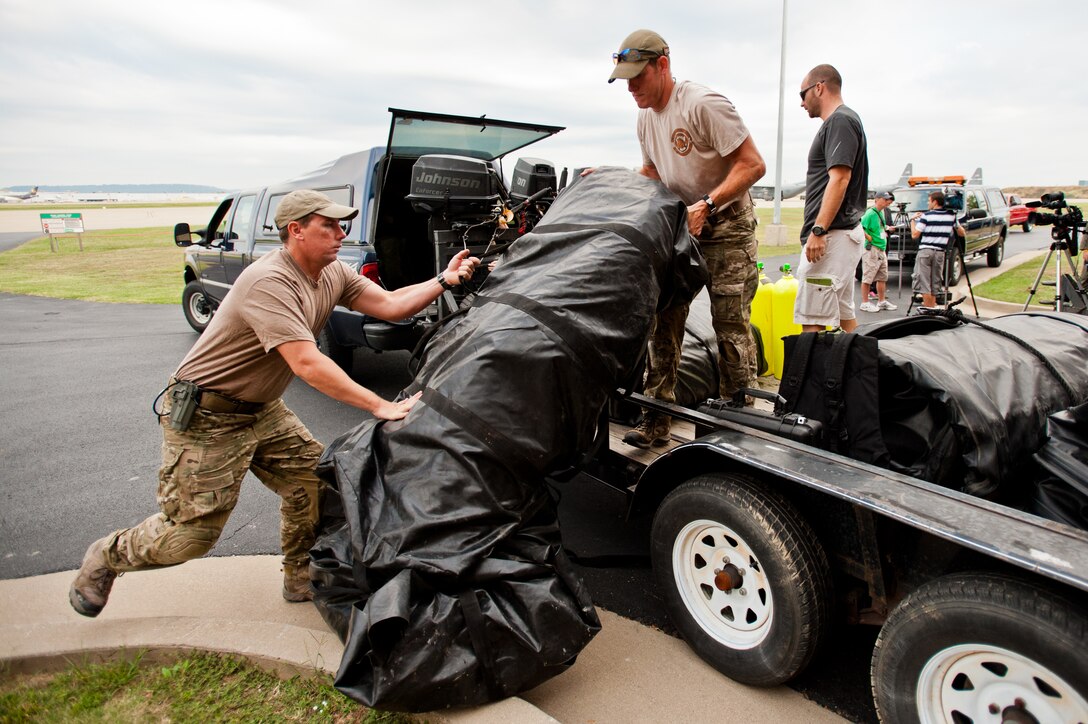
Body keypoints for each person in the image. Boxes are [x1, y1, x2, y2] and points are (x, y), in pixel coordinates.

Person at [69, 189, 480, 618]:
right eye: (331, 226)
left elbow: (391, 305)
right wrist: (379, 405)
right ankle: (107, 555)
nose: (343, 233)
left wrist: (442, 281)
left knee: (314, 483)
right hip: (208, 415)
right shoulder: (269, 281)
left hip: (261, 410)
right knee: (190, 536)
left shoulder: (332, 272)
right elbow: (306, 362)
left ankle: (300, 577)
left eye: (342, 225)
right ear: (296, 230)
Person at [606, 28, 766, 448]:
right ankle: (655, 420)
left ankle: (739, 422)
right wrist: (614, 184)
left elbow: (752, 165)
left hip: (727, 225)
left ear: (663, 65)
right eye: (626, 80)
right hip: (683, 228)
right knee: (665, 321)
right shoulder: (644, 118)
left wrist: (707, 206)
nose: (632, 88)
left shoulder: (700, 104)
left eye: (638, 76)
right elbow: (654, 174)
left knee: (730, 323)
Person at [794, 64, 869, 333]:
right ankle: (860, 373)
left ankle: (808, 376)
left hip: (832, 236)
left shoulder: (839, 121)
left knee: (812, 320)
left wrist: (819, 229)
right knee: (843, 313)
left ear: (819, 87)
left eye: (802, 94)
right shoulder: (844, 121)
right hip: (842, 236)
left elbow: (840, 179)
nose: (801, 103)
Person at [910, 190, 964, 308]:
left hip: (925, 251)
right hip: (940, 252)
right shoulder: (951, 216)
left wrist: (912, 221)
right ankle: (932, 308)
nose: (928, 203)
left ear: (935, 202)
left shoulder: (927, 216)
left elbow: (915, 235)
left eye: (929, 201)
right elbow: (962, 233)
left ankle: (928, 309)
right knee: (935, 282)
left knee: (924, 282)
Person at [859, 191, 898, 312]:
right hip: (872, 248)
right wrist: (868, 237)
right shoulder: (870, 213)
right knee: (868, 276)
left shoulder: (882, 212)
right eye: (885, 200)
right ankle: (865, 302)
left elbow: (880, 227)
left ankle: (881, 301)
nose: (888, 202)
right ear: (877, 199)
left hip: (881, 247)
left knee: (882, 276)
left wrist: (887, 228)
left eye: (889, 200)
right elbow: (860, 226)